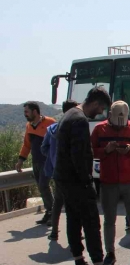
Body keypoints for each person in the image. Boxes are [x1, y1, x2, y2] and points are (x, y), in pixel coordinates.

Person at [54, 87, 124, 265]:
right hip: (77, 181)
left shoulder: (69, 114)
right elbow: (79, 154)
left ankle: (79, 264)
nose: (100, 113)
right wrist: (87, 181)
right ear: (95, 103)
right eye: (101, 108)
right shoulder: (79, 120)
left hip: (64, 179)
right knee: (91, 222)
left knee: (74, 220)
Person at [91, 101, 130, 265]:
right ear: (110, 115)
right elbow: (91, 151)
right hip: (108, 182)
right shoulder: (99, 130)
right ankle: (110, 252)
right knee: (109, 220)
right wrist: (106, 150)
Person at [41, 100, 78, 240]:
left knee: (58, 201)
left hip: (57, 171)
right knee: (73, 203)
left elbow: (44, 148)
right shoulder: (75, 128)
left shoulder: (52, 129)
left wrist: (53, 158)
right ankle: (74, 233)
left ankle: (54, 231)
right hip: (73, 171)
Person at [16, 101, 56, 226]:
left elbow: (57, 142)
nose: (25, 114)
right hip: (36, 161)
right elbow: (27, 145)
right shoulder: (29, 126)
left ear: (35, 111)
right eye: (24, 112)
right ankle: (49, 211)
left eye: (27, 112)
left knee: (44, 185)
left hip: (47, 162)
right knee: (41, 187)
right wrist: (20, 160)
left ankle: (53, 213)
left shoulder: (50, 123)